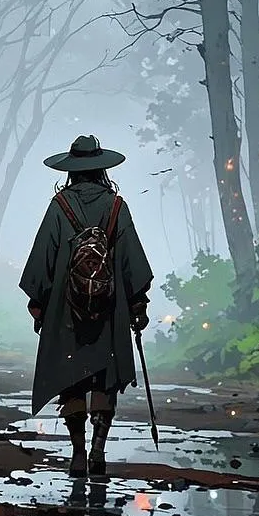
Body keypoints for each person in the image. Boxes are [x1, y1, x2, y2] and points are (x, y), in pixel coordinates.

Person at [20, 133, 153, 477]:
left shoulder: (59, 206)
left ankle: (78, 452)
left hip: (67, 312)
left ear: (71, 170)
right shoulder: (117, 207)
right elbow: (132, 262)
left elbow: (42, 260)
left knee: (72, 381)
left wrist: (40, 305)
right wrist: (137, 305)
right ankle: (98, 448)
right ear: (101, 168)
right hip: (109, 310)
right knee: (103, 380)